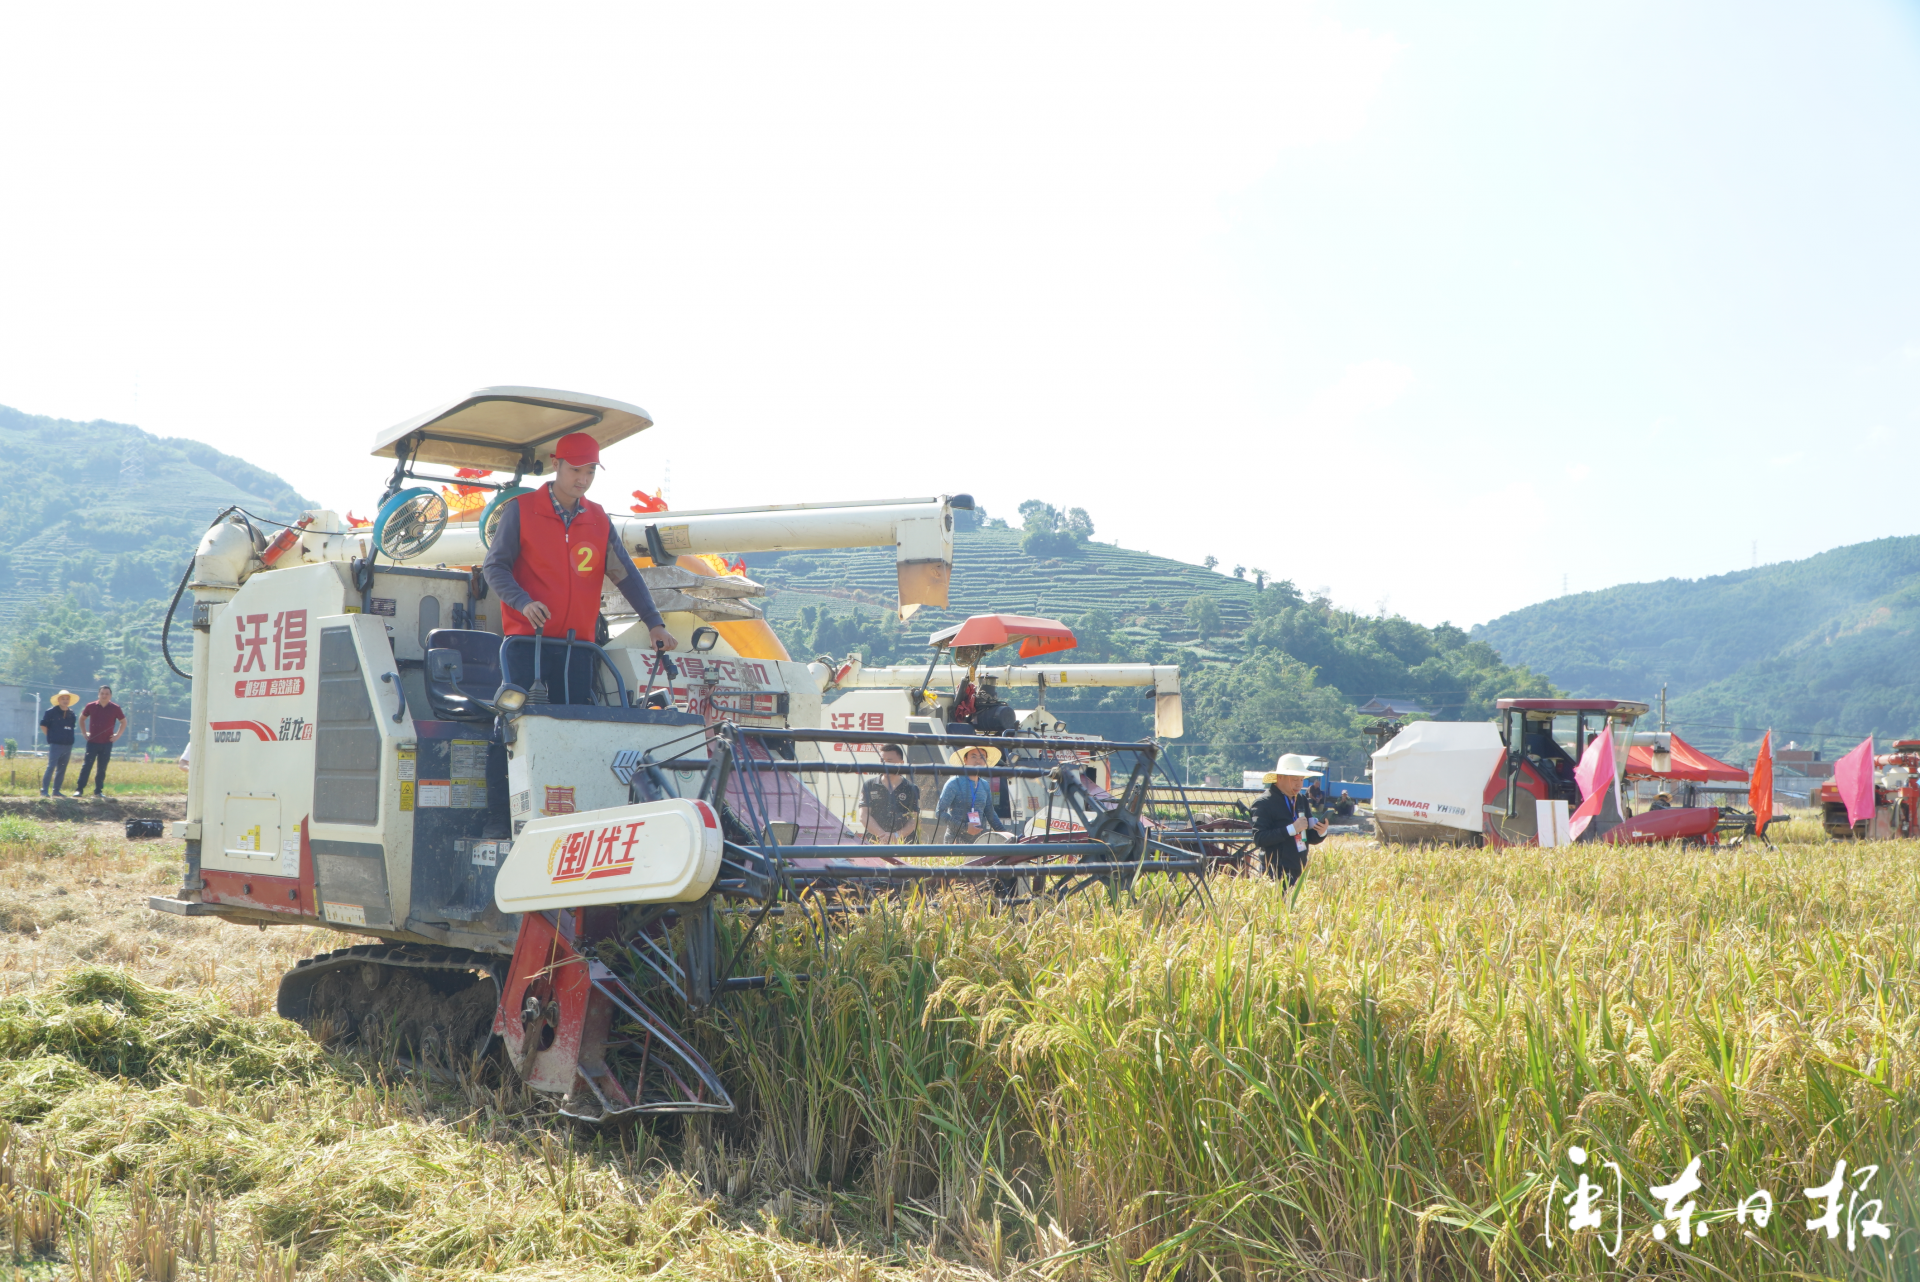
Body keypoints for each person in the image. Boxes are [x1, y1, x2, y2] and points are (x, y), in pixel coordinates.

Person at [480, 432, 677, 704]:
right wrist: (523, 602)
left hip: (579, 647)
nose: (583, 479)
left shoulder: (599, 519)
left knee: (575, 724)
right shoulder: (521, 510)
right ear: (555, 464)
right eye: (575, 470)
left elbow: (626, 575)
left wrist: (655, 623)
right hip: (526, 643)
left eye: (590, 471)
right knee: (517, 721)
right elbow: (494, 567)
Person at [1251, 752, 1327, 885]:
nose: (1299, 784)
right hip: (1274, 871)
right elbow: (1259, 838)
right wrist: (1292, 829)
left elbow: (1307, 836)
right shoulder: (1264, 802)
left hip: (1298, 868)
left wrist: (1321, 832)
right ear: (1279, 778)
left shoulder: (1301, 799)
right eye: (1294, 780)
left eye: (1301, 780)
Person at [935, 741, 1010, 843]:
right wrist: (965, 827)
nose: (978, 761)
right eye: (973, 756)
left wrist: (1006, 836)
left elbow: (990, 814)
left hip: (977, 843)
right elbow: (939, 812)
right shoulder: (954, 783)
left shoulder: (984, 785)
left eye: (982, 757)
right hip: (954, 842)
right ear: (965, 760)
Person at [858, 744, 922, 844]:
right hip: (874, 842)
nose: (884, 764)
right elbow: (863, 815)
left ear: (901, 763)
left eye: (889, 761)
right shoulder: (869, 785)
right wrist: (882, 835)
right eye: (881, 761)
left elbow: (914, 819)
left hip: (904, 844)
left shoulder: (911, 788)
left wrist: (896, 836)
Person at [75, 685, 126, 797]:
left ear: (110, 696)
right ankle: (79, 789)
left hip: (107, 743)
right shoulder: (91, 706)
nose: (104, 695)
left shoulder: (115, 708)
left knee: (102, 768)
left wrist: (117, 735)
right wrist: (84, 732)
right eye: (102, 693)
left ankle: (98, 791)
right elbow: (82, 719)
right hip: (92, 742)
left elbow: (123, 722)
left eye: (107, 694)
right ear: (99, 694)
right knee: (87, 766)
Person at [39, 690, 77, 797]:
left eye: (67, 699)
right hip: (55, 744)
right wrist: (50, 736)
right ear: (58, 700)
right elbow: (43, 725)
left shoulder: (72, 713)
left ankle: (56, 790)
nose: (65, 701)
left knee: (62, 768)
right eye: (63, 699)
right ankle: (44, 790)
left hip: (68, 744)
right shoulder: (51, 712)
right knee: (51, 767)